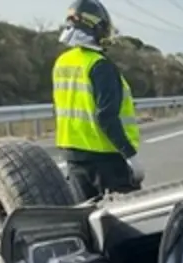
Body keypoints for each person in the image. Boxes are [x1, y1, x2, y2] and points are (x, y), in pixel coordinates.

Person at [52, 0, 145, 200]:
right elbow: (106, 117)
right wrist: (130, 155)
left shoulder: (62, 62)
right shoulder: (100, 65)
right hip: (106, 159)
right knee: (125, 224)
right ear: (96, 28)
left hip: (73, 156)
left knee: (86, 219)